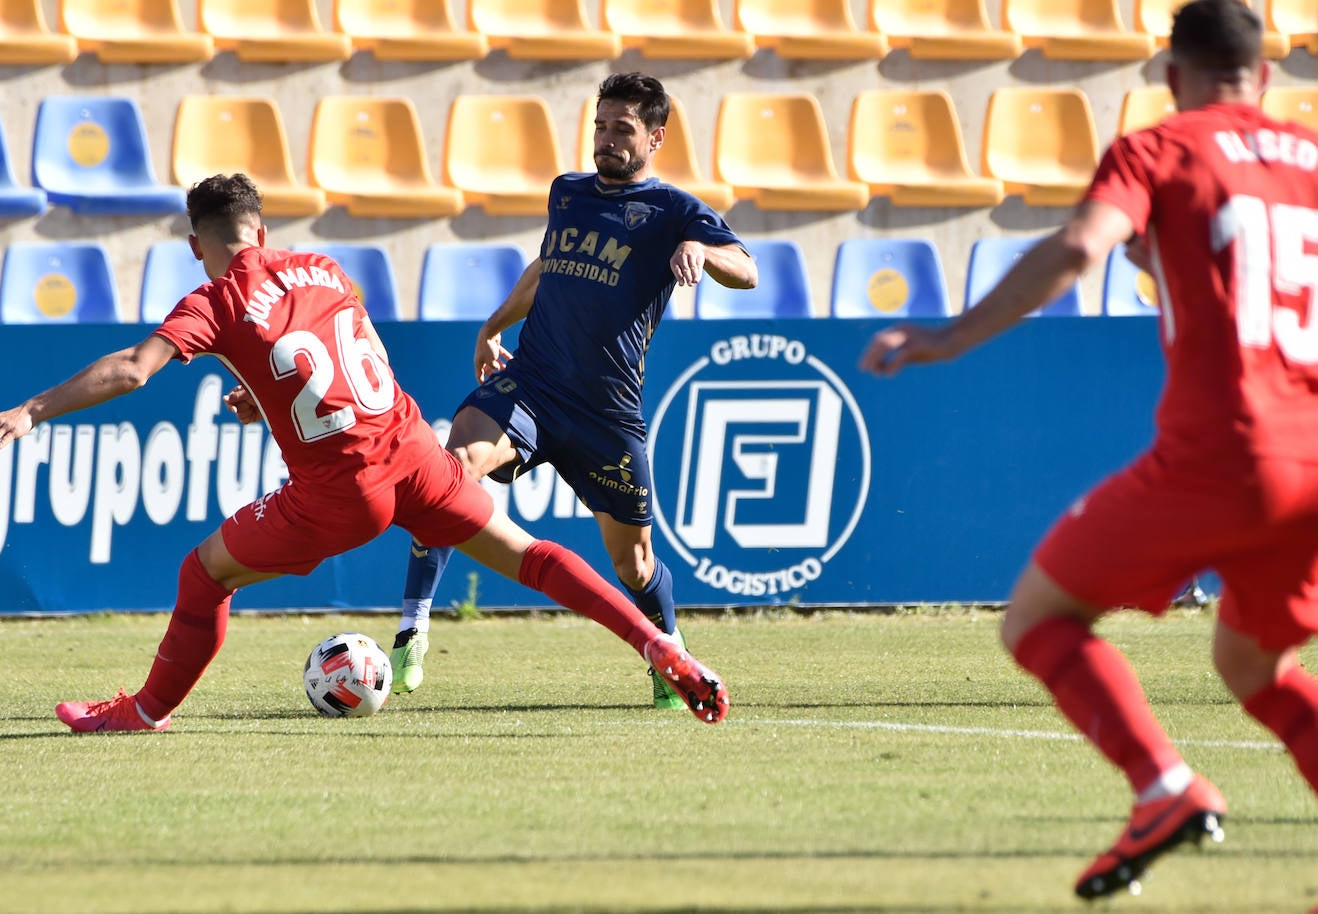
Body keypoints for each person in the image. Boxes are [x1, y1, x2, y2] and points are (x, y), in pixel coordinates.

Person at [0, 173, 728, 732]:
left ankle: (142, 711)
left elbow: (133, 370)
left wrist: (32, 410)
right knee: (529, 554)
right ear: (260, 229)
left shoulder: (215, 300)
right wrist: (266, 396)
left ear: (199, 244)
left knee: (202, 575)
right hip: (416, 455)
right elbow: (343, 355)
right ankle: (659, 644)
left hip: (342, 492)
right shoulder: (322, 268)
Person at [862, 0, 1318, 902]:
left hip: (1223, 452)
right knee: (1251, 665)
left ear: (1168, 75)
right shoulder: (1309, 162)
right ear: (1264, 77)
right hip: (1312, 461)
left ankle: (1162, 786)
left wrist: (947, 338)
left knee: (1037, 617)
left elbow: (1080, 244)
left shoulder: (1159, 147)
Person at [391, 72, 757, 704]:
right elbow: (547, 265)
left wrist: (700, 247)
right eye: (601, 125)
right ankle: (411, 629)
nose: (607, 139)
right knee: (452, 470)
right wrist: (492, 326)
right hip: (531, 384)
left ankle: (668, 655)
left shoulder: (675, 210)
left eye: (624, 129)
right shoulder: (567, 193)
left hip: (605, 415)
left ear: (656, 137)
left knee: (634, 567)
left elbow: (746, 271)